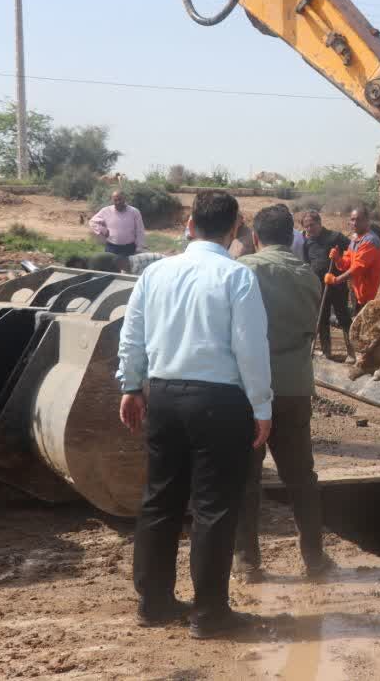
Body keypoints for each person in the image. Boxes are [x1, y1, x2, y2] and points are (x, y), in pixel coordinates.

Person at [116, 191, 273, 639]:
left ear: (189, 224)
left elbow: (133, 334)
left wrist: (131, 385)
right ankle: (209, 614)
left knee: (160, 500)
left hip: (163, 395)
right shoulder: (237, 277)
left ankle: (154, 602)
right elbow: (251, 348)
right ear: (235, 229)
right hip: (219, 402)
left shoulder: (155, 272)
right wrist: (261, 406)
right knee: (213, 508)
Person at [235, 205, 331, 580]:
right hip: (294, 388)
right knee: (301, 477)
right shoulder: (308, 276)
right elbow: (312, 326)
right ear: (292, 237)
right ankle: (314, 557)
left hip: (248, 388)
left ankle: (248, 562)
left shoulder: (242, 272)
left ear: (255, 237)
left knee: (246, 477)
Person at [301, 211, 354, 363]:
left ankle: (351, 353)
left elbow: (352, 253)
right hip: (319, 287)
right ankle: (326, 352)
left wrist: (339, 257)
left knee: (343, 317)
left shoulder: (335, 237)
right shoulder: (307, 242)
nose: (309, 229)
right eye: (306, 227)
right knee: (322, 318)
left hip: (337, 285)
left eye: (312, 225)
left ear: (319, 223)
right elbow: (308, 263)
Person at [327, 207, 380, 312]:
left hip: (371, 296)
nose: (355, 223)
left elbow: (357, 268)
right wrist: (337, 258)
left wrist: (336, 280)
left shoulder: (370, 241)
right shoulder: (356, 239)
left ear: (367, 220)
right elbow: (346, 263)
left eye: (359, 219)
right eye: (352, 219)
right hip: (359, 293)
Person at [89, 189, 146, 257]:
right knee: (110, 267)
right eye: (115, 200)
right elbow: (92, 221)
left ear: (125, 199)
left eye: (120, 199)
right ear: (112, 200)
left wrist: (139, 248)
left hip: (129, 248)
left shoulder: (134, 212)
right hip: (111, 248)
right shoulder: (106, 211)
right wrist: (103, 230)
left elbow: (140, 231)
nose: (118, 202)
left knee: (128, 267)